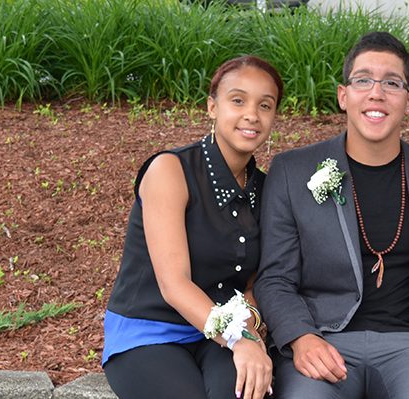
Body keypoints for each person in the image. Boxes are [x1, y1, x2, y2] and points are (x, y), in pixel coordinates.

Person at [254, 31, 409, 399]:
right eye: (363, 80)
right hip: (322, 340)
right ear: (343, 95)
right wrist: (301, 337)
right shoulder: (292, 171)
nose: (376, 93)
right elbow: (275, 278)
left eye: (392, 83)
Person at [102, 55, 284, 399]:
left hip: (220, 335)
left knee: (248, 391)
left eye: (266, 105)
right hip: (150, 330)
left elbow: (254, 283)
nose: (252, 115)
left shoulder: (266, 188)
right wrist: (239, 339)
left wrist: (251, 327)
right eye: (238, 100)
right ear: (212, 107)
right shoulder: (170, 170)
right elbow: (174, 284)